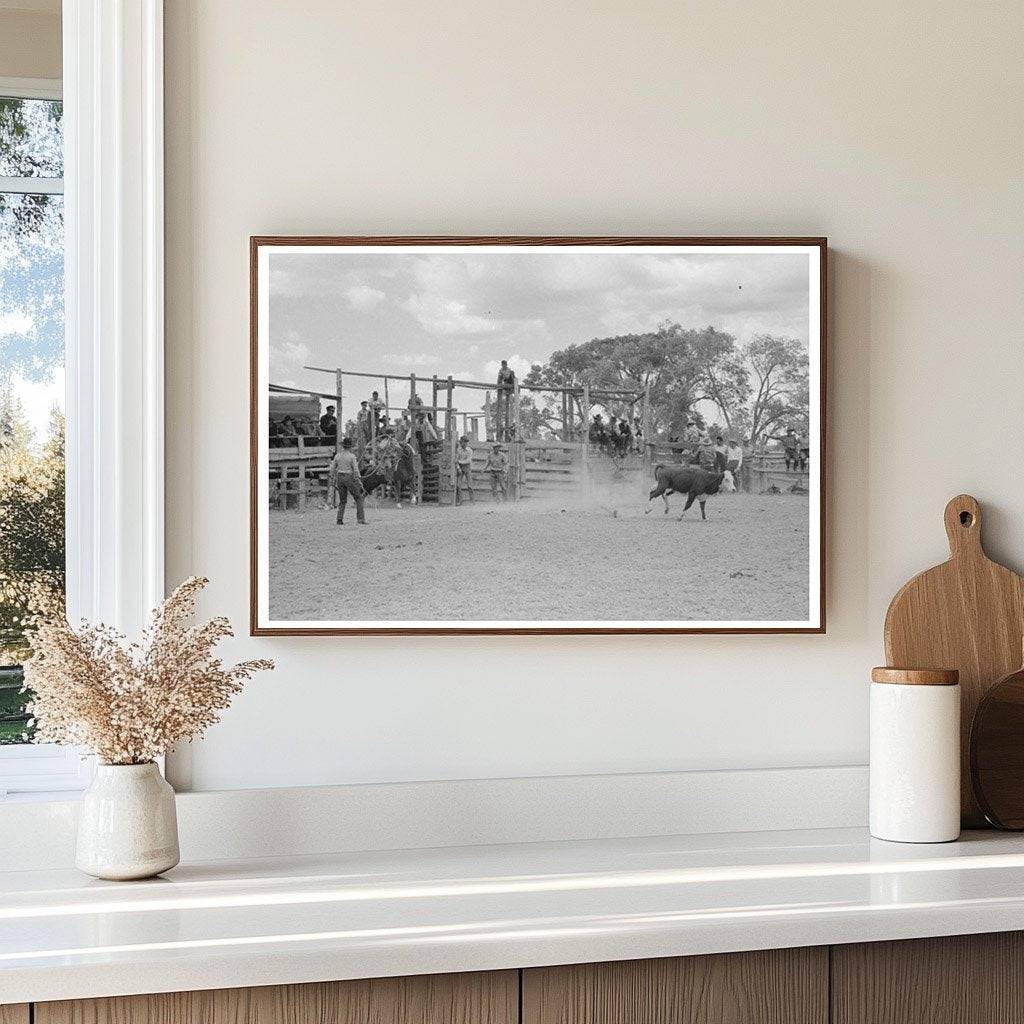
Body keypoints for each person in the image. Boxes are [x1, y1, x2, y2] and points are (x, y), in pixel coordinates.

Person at [330, 437, 366, 525]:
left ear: (343, 446)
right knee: (358, 498)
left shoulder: (337, 456)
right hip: (349, 477)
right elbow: (356, 470)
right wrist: (359, 479)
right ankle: (361, 519)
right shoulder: (352, 456)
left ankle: (339, 519)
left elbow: (332, 469)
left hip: (340, 477)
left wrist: (332, 478)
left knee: (342, 500)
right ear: (350, 447)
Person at [495, 359, 515, 440]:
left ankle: (513, 386)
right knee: (500, 377)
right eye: (502, 365)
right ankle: (501, 437)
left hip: (510, 381)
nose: (503, 366)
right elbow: (500, 377)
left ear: (506, 364)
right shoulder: (501, 370)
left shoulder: (509, 370)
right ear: (502, 365)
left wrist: (509, 381)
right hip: (505, 382)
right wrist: (499, 384)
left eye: (504, 364)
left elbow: (508, 376)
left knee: (512, 373)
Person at [455, 435, 474, 503]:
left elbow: (468, 461)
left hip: (467, 468)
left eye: (466, 442)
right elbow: (455, 460)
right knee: (458, 485)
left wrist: (459, 462)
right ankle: (460, 500)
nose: (465, 444)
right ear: (461, 442)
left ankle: (472, 500)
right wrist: (458, 468)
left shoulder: (469, 450)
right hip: (460, 468)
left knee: (470, 485)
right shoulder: (458, 450)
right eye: (463, 442)